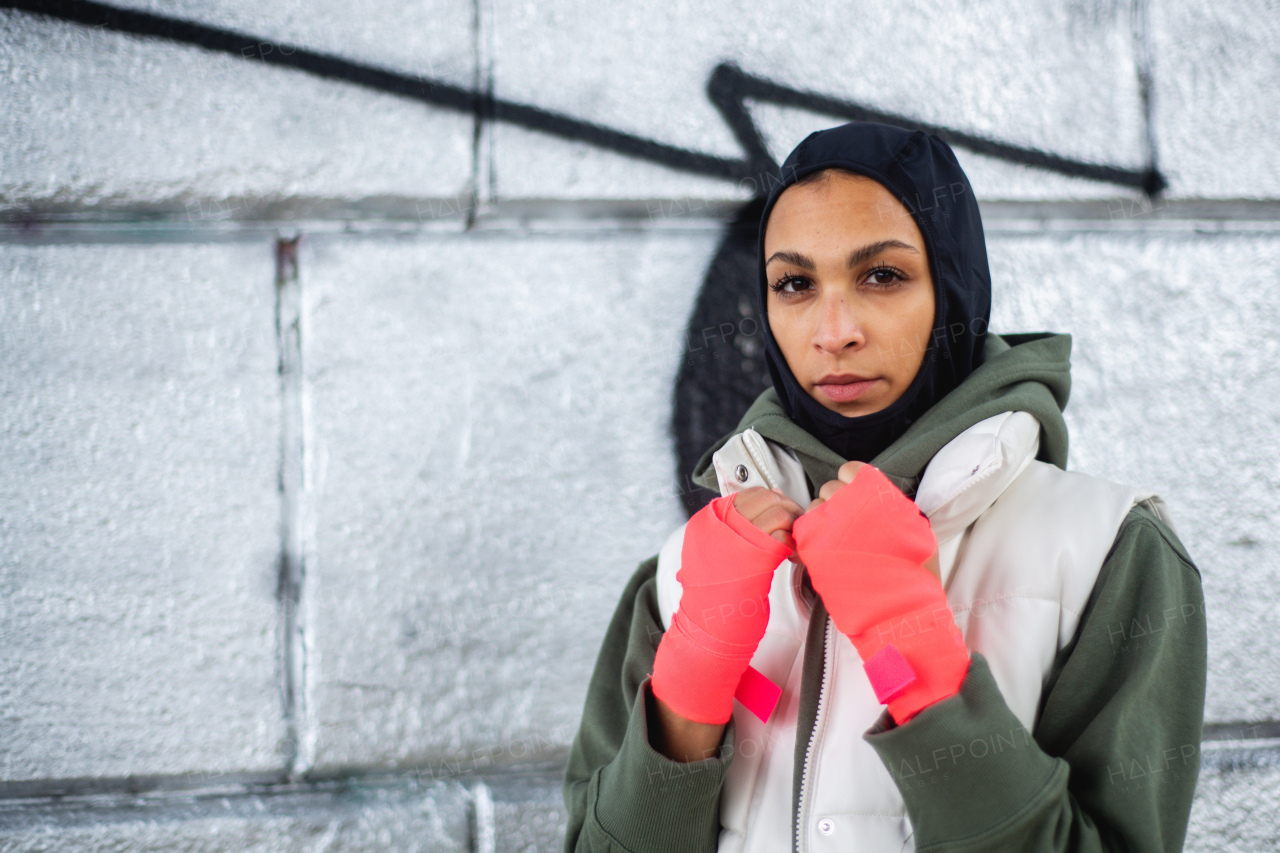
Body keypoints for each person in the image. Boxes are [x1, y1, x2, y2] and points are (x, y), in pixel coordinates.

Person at [561, 121, 1207, 853]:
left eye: (882, 275)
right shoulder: (678, 574)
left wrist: (921, 660)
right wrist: (689, 685)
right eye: (795, 283)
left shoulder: (1109, 551)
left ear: (954, 287)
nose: (833, 329)